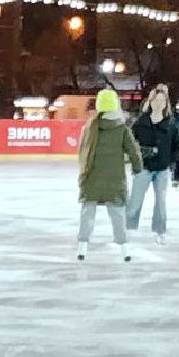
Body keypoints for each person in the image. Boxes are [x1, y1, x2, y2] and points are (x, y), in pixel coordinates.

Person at [77, 88, 143, 262]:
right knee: (117, 214)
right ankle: (124, 248)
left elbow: (82, 151)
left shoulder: (90, 127)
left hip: (92, 177)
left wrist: (83, 172)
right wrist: (137, 168)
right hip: (114, 180)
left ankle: (82, 247)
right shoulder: (121, 128)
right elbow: (134, 151)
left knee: (87, 212)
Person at [127, 86, 179, 242]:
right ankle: (128, 228)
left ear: (166, 103)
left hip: (162, 169)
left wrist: (170, 160)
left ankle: (160, 231)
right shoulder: (140, 122)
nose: (159, 103)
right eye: (156, 100)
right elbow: (130, 143)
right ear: (150, 102)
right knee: (135, 199)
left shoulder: (171, 123)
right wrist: (137, 157)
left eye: (162, 101)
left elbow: (178, 145)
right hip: (144, 168)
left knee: (161, 202)